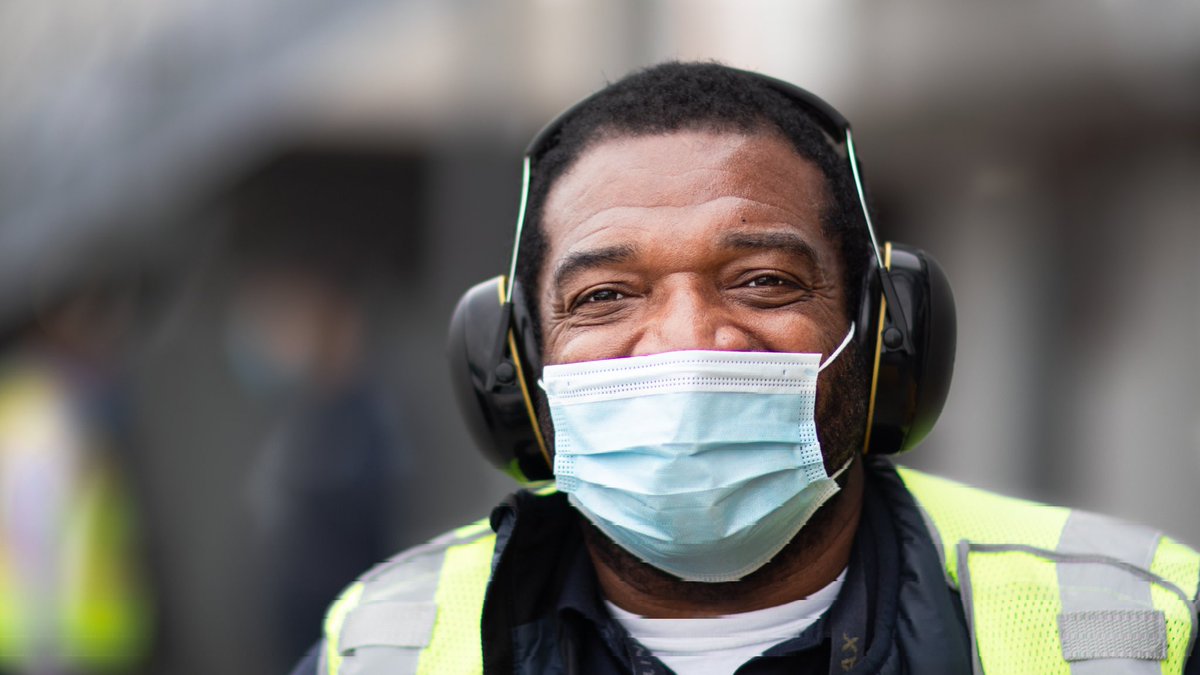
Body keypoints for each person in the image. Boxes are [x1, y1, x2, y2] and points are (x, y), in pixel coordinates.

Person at [290, 62, 1200, 675]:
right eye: (606, 296)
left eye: (764, 281)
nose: (689, 340)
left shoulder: (1134, 629)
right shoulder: (378, 646)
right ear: (514, 369)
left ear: (885, 335)